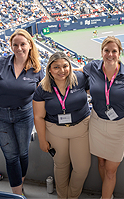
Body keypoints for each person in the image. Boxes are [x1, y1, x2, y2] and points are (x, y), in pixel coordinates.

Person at [0, 29, 43, 195]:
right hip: (1, 115)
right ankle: (17, 194)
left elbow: (41, 98)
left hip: (24, 115)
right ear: (11, 46)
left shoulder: (38, 69)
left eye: (23, 44)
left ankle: (20, 183)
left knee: (23, 153)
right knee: (11, 157)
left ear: (30, 45)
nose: (19, 48)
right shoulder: (0, 63)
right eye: (15, 45)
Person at [80, 36, 124, 199]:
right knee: (101, 163)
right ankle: (108, 194)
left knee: (111, 171)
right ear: (101, 52)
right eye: (107, 50)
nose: (110, 54)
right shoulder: (92, 67)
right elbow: (80, 77)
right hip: (97, 121)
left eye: (114, 51)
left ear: (119, 53)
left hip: (119, 126)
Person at [33, 52, 91, 199]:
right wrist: (42, 140)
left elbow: (98, 86)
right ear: (50, 69)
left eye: (65, 66)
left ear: (70, 66)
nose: (62, 70)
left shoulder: (80, 79)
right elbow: (38, 116)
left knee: (82, 168)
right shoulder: (42, 87)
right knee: (61, 165)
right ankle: (61, 196)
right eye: (56, 67)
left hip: (81, 129)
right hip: (55, 131)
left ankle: (72, 196)